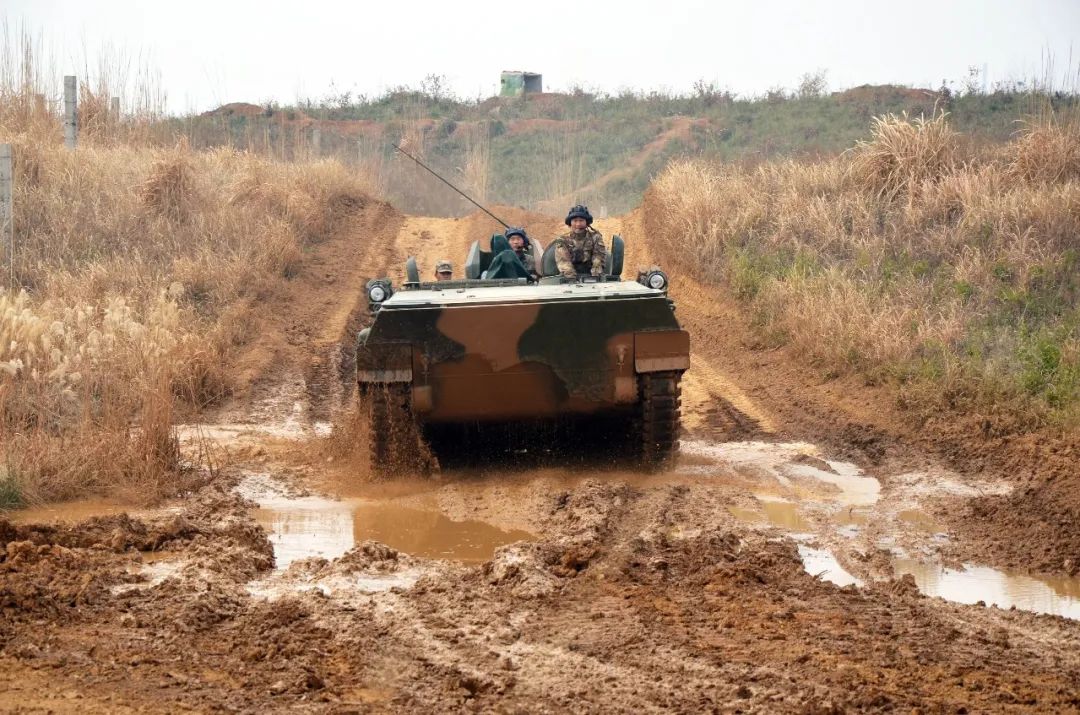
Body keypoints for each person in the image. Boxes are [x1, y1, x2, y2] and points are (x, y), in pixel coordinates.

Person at [553, 204, 606, 279]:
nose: (578, 224)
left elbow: (598, 259)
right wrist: (571, 280)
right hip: (569, 277)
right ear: (570, 223)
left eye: (581, 221)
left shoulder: (595, 237)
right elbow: (564, 263)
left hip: (592, 276)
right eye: (575, 221)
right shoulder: (562, 240)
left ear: (586, 222)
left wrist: (595, 277)